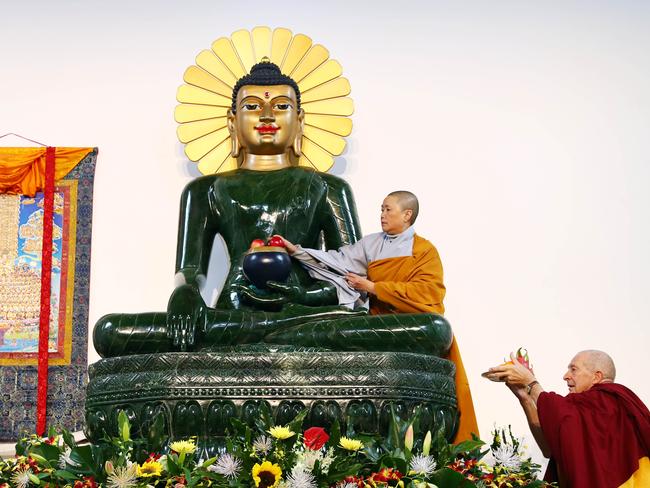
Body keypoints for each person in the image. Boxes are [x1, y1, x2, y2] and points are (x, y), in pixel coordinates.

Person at [93, 61, 453, 363]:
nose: (267, 115)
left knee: (433, 331)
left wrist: (303, 299)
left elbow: (348, 273)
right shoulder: (205, 190)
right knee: (110, 332)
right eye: (252, 107)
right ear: (233, 121)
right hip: (230, 315)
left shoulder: (328, 188)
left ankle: (271, 338)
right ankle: (274, 338)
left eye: (281, 106)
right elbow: (190, 271)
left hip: (308, 314)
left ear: (300, 119)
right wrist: (185, 295)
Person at [272, 190, 479, 443]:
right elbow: (337, 261)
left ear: (407, 214)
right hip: (377, 323)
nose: (382, 215)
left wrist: (373, 287)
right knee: (342, 323)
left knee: (436, 326)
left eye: (387, 209)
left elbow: (428, 294)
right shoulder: (371, 244)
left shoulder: (424, 251)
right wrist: (296, 251)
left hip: (410, 324)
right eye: (381, 209)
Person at [486, 350, 650, 487]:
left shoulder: (610, 400)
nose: (565, 376)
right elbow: (549, 448)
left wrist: (531, 383)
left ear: (597, 376)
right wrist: (525, 398)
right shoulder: (586, 410)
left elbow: (565, 417)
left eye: (573, 369)